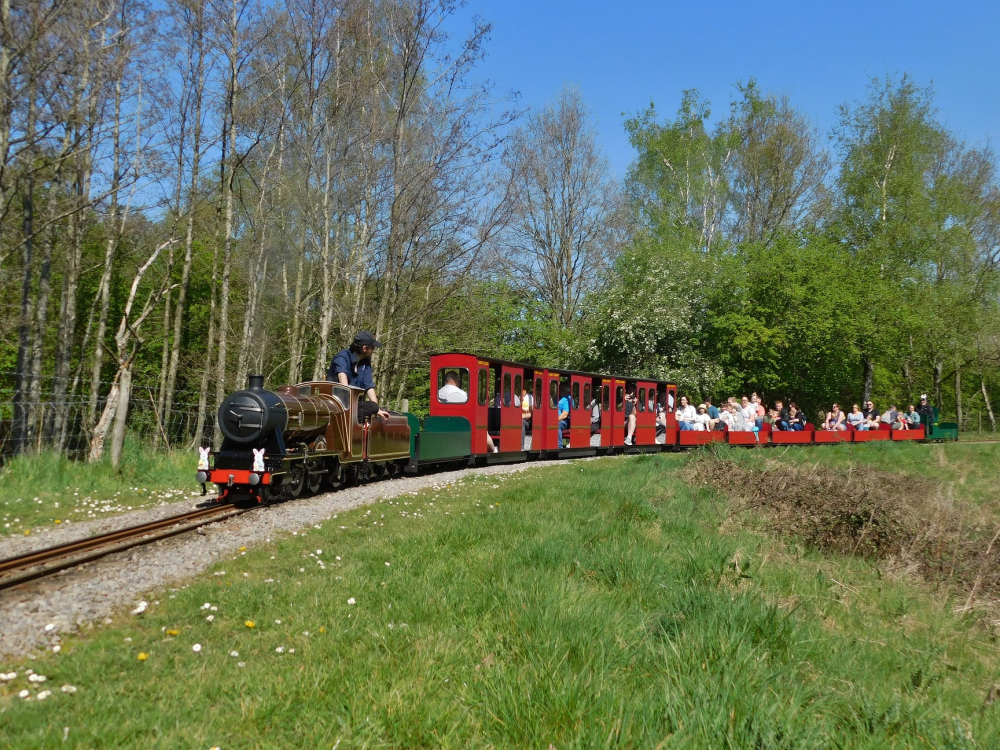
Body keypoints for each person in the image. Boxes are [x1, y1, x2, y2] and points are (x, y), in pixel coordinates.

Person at [329, 331, 390, 422]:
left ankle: (358, 428)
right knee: (365, 409)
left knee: (372, 407)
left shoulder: (366, 363)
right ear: (364, 348)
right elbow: (342, 377)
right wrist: (348, 403)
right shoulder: (342, 357)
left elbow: (369, 386)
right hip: (338, 401)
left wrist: (377, 409)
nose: (373, 350)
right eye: (372, 348)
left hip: (356, 404)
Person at [557, 383, 571, 448]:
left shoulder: (567, 399)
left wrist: (554, 420)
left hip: (564, 421)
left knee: (557, 425)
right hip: (556, 418)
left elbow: (564, 414)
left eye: (561, 389)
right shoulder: (558, 398)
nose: (559, 390)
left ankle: (559, 446)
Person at [521, 385, 534, 450]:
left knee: (521, 422)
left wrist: (522, 416)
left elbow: (530, 414)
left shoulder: (530, 398)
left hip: (527, 421)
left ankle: (521, 446)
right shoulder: (515, 396)